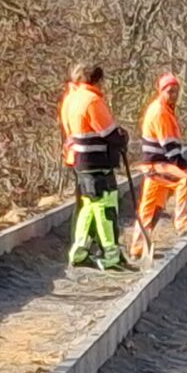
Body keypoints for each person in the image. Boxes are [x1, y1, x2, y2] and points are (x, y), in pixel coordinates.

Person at [60, 63, 128, 270]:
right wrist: (122, 138)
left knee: (89, 206)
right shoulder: (92, 101)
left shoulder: (72, 99)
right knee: (104, 207)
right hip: (97, 161)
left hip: (80, 160)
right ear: (98, 80)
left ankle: (79, 251)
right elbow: (108, 132)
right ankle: (110, 253)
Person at [128, 72, 187, 257]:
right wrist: (178, 161)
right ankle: (183, 222)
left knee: (151, 207)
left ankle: (138, 247)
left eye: (176, 91)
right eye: (170, 91)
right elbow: (167, 142)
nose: (174, 95)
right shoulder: (160, 111)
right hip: (157, 165)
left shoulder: (165, 109)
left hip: (157, 164)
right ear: (161, 91)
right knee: (185, 180)